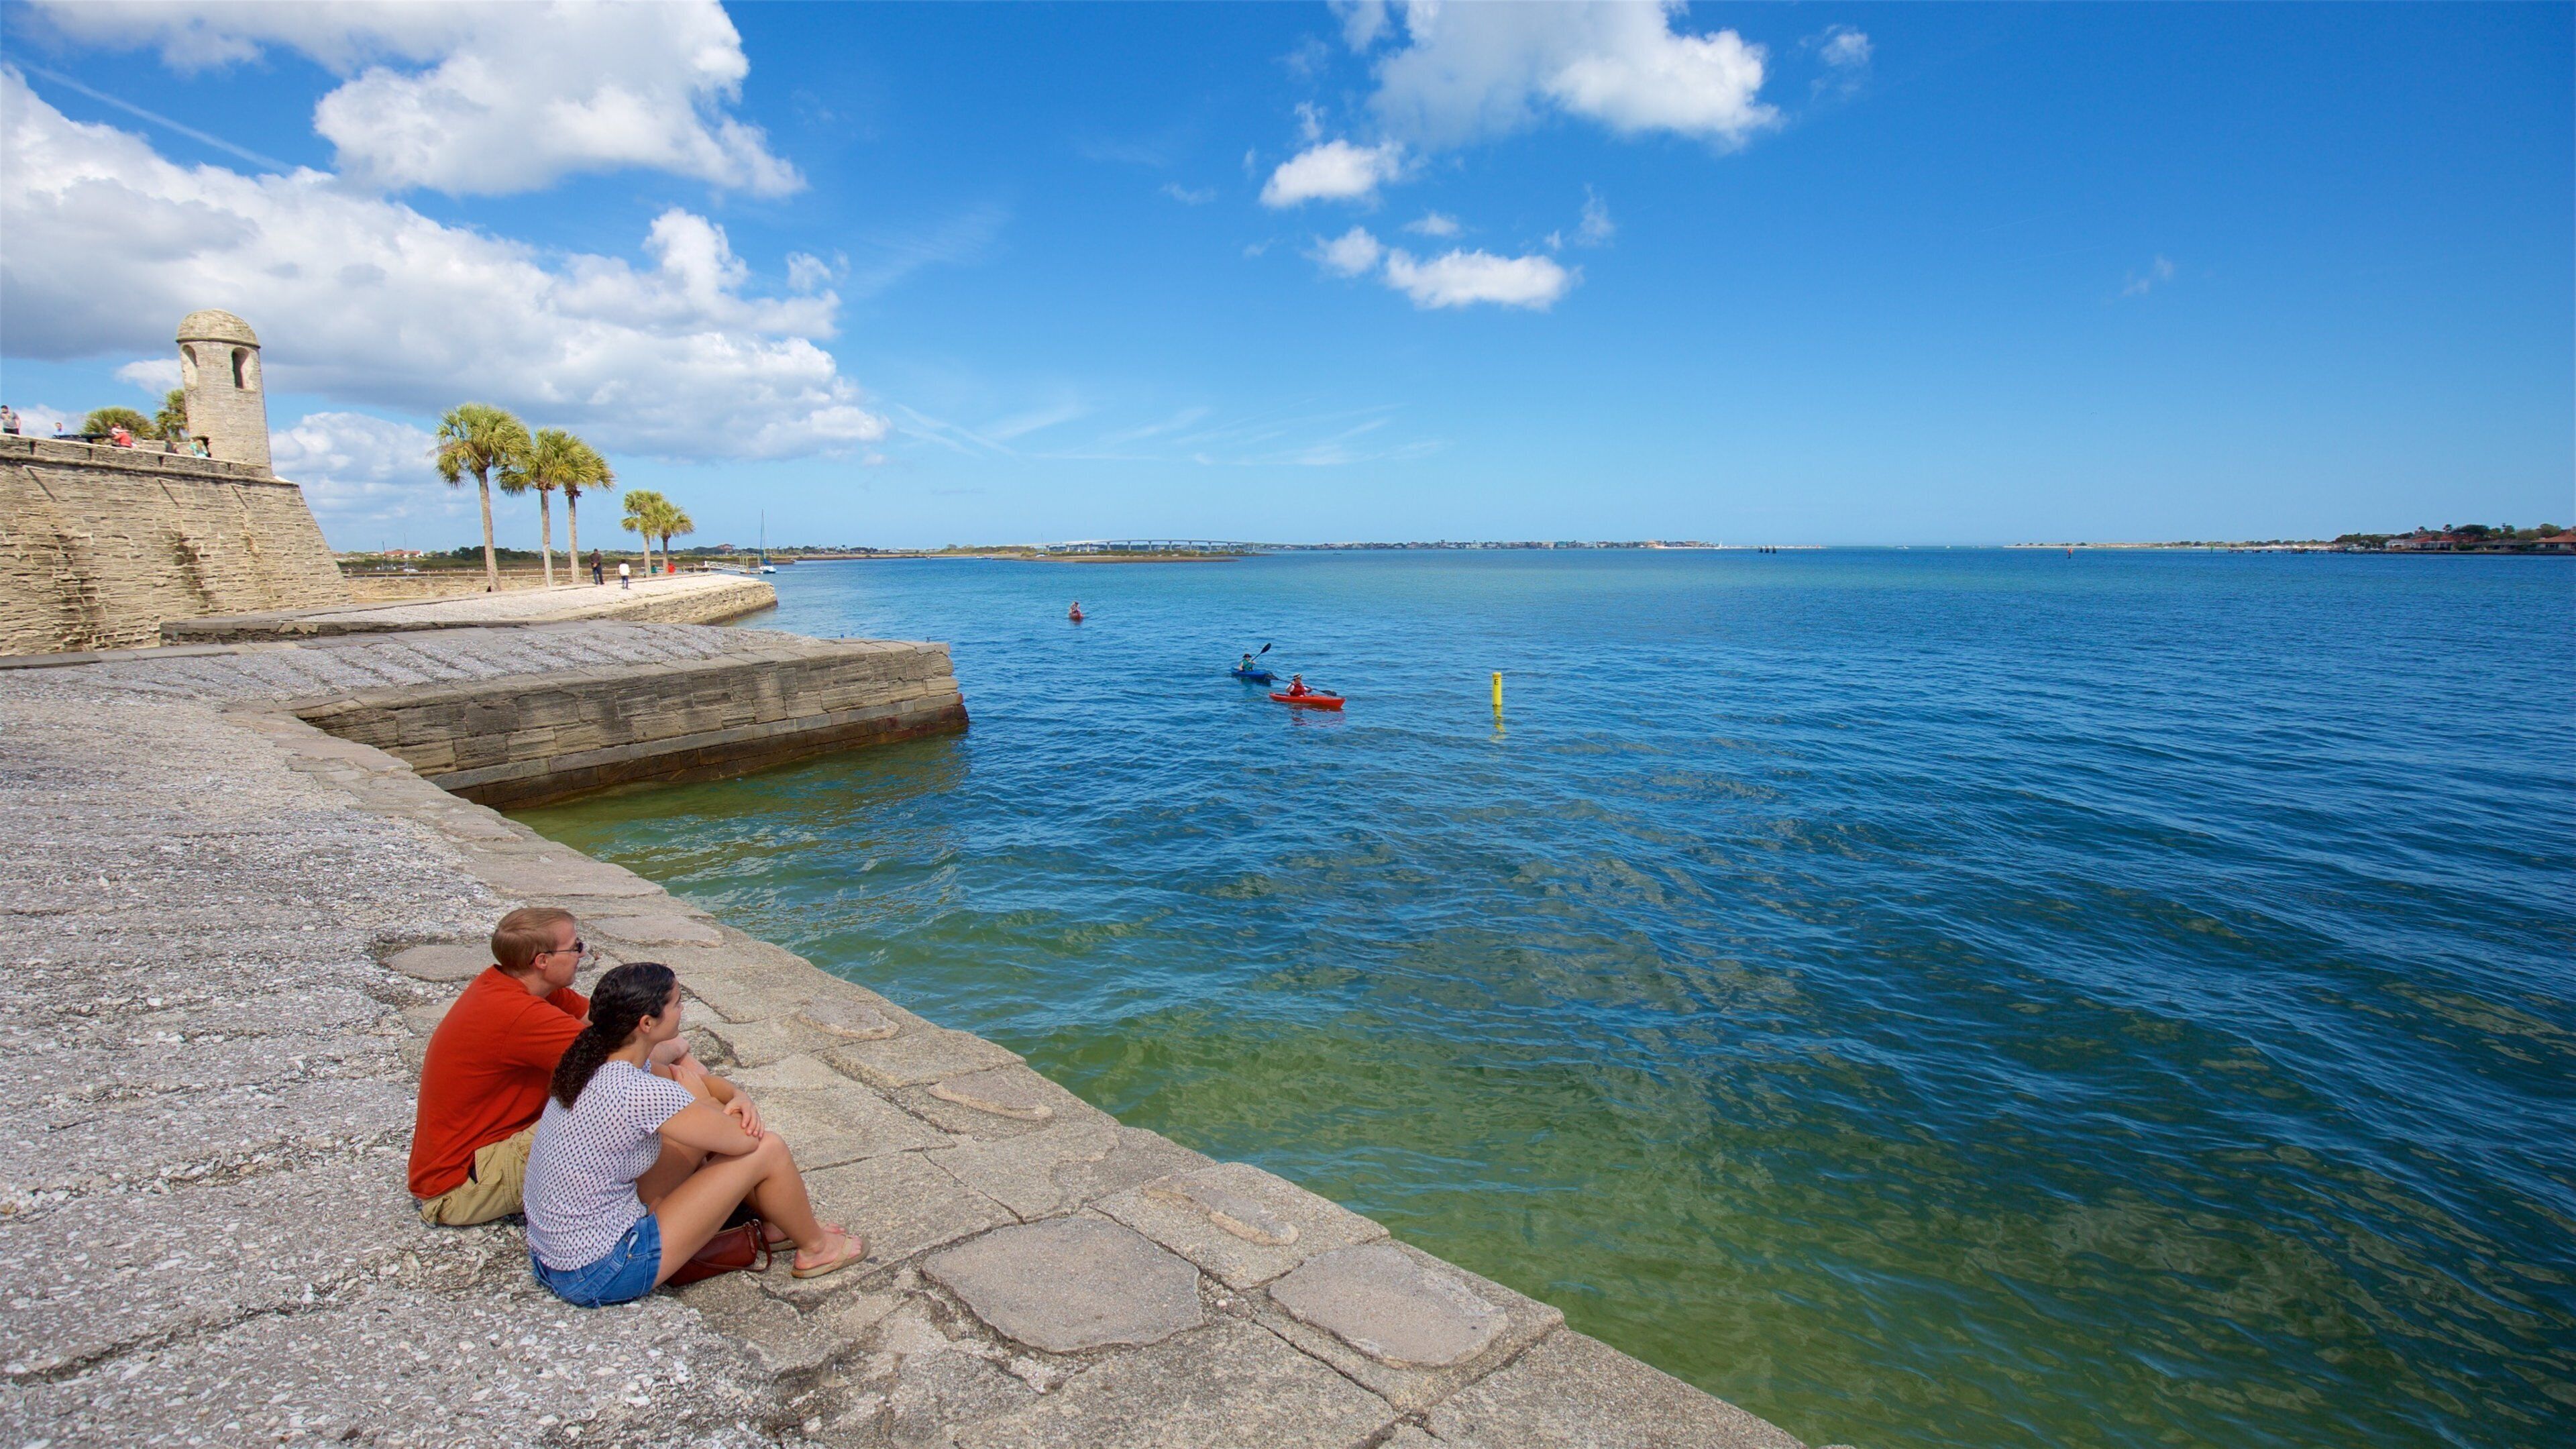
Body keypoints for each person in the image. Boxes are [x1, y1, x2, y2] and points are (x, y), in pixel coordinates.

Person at [523, 962, 863, 1307]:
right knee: (767, 1148)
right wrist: (709, 1103)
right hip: (604, 1270)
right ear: (647, 1023)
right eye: (676, 1002)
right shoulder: (637, 1090)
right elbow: (745, 1140)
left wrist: (736, 1097)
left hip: (558, 1260)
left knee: (700, 1132)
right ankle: (817, 1248)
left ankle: (781, 1224)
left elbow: (693, 1082)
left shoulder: (596, 1059)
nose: (682, 1008)